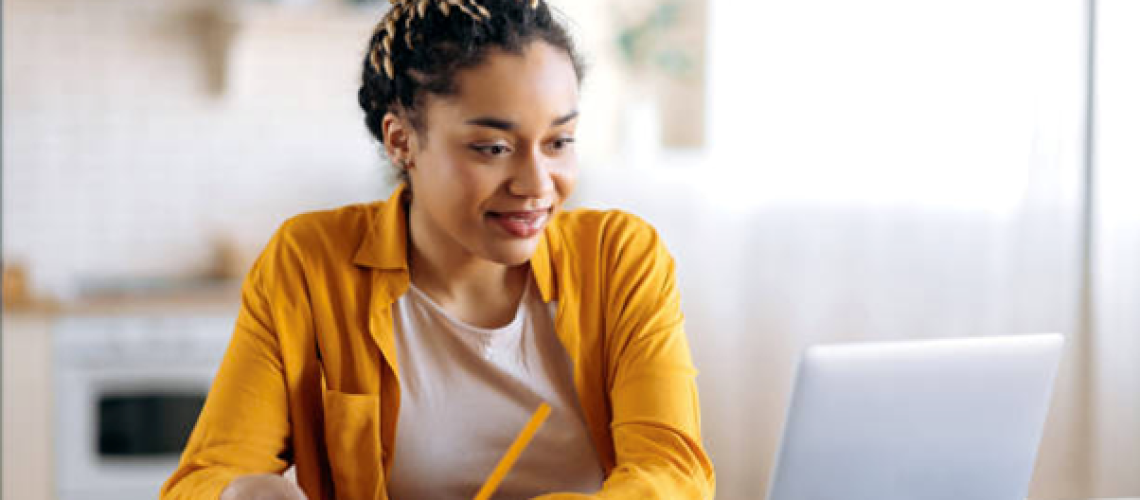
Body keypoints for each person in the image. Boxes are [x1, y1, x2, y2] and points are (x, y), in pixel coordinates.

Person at [160, 0, 714, 498]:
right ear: (402, 141)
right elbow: (203, 478)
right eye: (492, 148)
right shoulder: (309, 264)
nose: (537, 184)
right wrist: (239, 495)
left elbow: (673, 473)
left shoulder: (619, 258)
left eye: (558, 142)